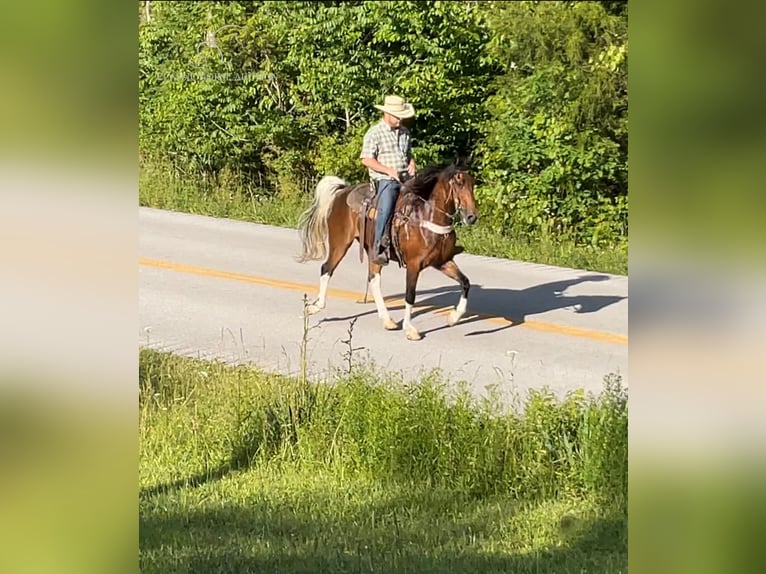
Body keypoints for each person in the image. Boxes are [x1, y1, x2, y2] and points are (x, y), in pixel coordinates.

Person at [360, 95, 417, 265]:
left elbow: (407, 155)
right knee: (387, 204)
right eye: (397, 116)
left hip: (404, 177)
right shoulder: (375, 133)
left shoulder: (405, 133)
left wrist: (412, 163)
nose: (400, 119)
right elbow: (366, 159)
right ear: (387, 114)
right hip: (384, 179)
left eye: (401, 116)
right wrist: (388, 171)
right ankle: (379, 246)